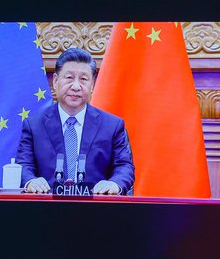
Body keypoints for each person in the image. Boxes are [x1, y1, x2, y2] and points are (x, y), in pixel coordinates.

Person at [16, 48, 134, 194]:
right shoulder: (34, 125)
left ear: (92, 85)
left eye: (83, 79)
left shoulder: (112, 126)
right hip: (46, 208)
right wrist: (31, 181)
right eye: (69, 78)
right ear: (56, 81)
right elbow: (23, 165)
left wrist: (114, 184)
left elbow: (124, 167)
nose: (76, 86)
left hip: (96, 208)